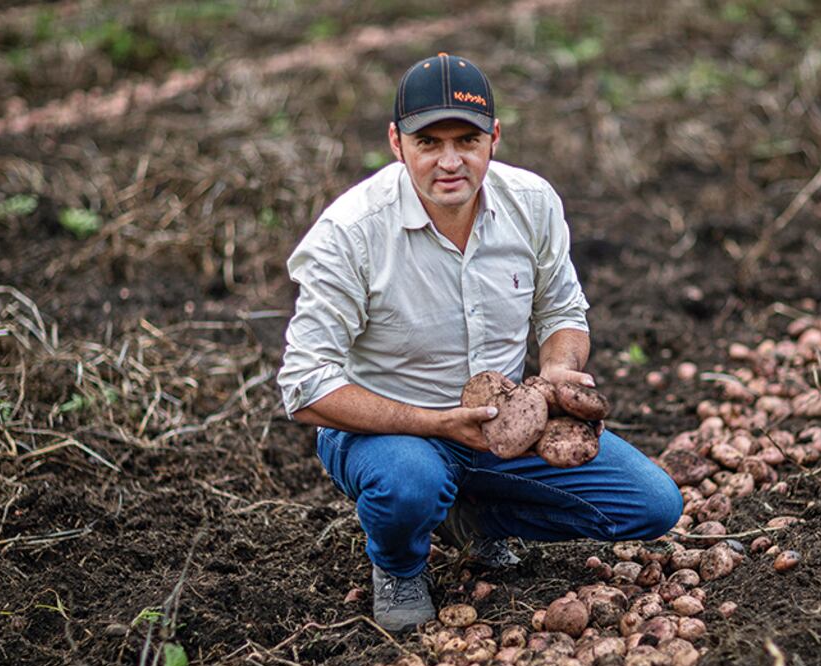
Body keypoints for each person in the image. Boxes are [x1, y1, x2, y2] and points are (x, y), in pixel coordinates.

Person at [277, 53, 683, 632]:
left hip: (500, 429)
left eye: (467, 139)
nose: (450, 161)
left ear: (495, 136)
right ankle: (398, 564)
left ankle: (470, 519)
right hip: (387, 434)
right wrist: (435, 422)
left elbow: (562, 310)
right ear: (396, 142)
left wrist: (558, 371)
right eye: (428, 142)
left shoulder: (531, 202)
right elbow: (304, 385)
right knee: (409, 482)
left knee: (652, 505)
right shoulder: (351, 233)